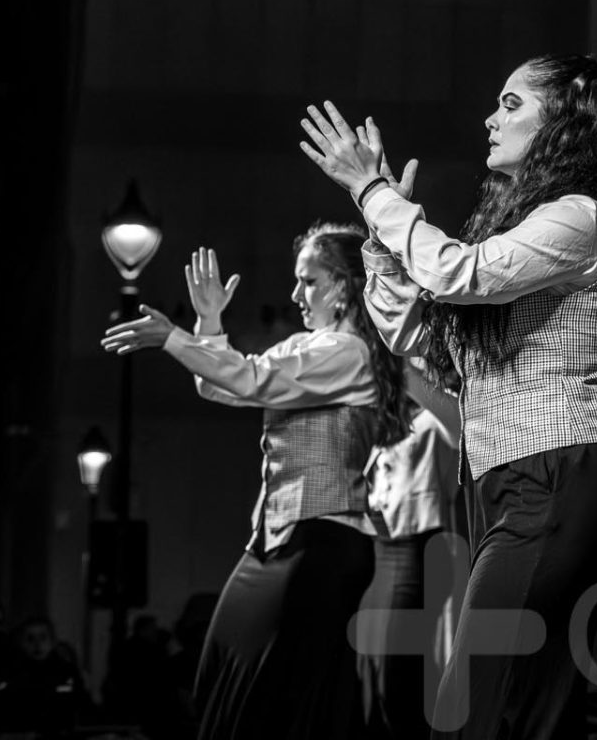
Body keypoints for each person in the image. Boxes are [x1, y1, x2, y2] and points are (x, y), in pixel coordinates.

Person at [299, 52, 597, 740]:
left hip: (559, 471)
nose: (491, 118)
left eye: (512, 104)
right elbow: (417, 335)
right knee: (528, 711)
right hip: (516, 480)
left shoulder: (580, 219)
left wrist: (373, 191)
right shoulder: (529, 228)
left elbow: (457, 273)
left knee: (476, 707)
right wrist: (381, 241)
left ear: (563, 123)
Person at [101, 230, 406, 740]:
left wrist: (173, 337)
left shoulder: (349, 353)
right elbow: (222, 384)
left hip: (324, 542)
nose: (296, 294)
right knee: (223, 674)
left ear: (343, 287)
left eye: (309, 281)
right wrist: (209, 322)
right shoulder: (305, 346)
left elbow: (250, 378)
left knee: (276, 701)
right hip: (278, 540)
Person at [357, 358, 464, 740]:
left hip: (418, 547)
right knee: (372, 673)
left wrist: (406, 370)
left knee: (398, 672)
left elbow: (460, 430)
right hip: (380, 551)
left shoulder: (441, 406)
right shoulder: (391, 419)